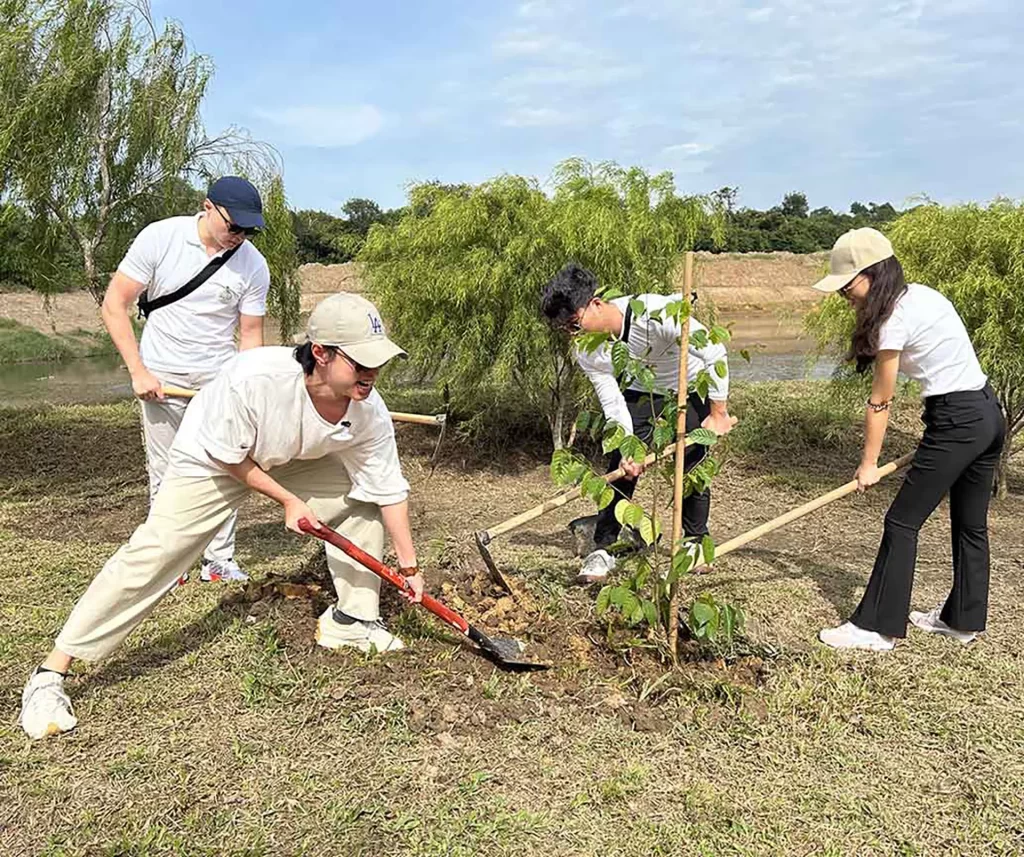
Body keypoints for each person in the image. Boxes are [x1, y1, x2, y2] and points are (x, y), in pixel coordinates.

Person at [19, 294, 425, 739]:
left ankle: (353, 620)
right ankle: (51, 673)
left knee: (359, 501)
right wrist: (288, 500)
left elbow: (387, 486)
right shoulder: (255, 380)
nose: (371, 373)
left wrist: (409, 568)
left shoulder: (368, 409)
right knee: (158, 551)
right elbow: (230, 456)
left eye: (378, 361)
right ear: (321, 353)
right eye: (360, 362)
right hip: (213, 458)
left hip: (290, 456)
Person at [813, 228, 1005, 652]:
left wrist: (869, 463)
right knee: (970, 524)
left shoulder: (893, 321)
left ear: (872, 274)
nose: (845, 297)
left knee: (902, 522)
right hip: (987, 412)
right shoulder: (923, 295)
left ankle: (875, 628)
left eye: (847, 287)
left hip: (957, 420)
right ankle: (962, 620)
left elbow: (881, 401)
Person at [101, 176, 271, 584]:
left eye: (248, 229)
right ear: (208, 207)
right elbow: (114, 304)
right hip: (162, 378)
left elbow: (250, 335)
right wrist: (139, 371)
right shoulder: (161, 238)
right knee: (167, 470)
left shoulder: (253, 265)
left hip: (219, 382)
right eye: (234, 226)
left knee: (226, 465)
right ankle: (169, 560)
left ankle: (219, 559)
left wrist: (248, 390)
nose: (240, 236)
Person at [541, 263, 738, 582]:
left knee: (693, 466)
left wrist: (718, 414)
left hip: (689, 387)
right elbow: (612, 400)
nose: (575, 334)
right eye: (566, 330)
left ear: (596, 303)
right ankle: (604, 548)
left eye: (575, 324)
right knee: (620, 467)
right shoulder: (588, 350)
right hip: (641, 391)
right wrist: (627, 447)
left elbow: (714, 352)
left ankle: (695, 543)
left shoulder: (654, 312)